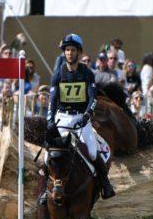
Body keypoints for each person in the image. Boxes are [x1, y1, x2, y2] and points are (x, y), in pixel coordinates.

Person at [40, 33, 115, 206]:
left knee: (93, 152)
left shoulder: (87, 73)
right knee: (47, 157)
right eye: (67, 50)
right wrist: (50, 120)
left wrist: (88, 114)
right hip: (63, 118)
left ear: (79, 52)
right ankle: (46, 190)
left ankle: (105, 183)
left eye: (73, 50)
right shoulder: (58, 74)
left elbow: (92, 98)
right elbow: (52, 100)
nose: (69, 53)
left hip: (81, 117)